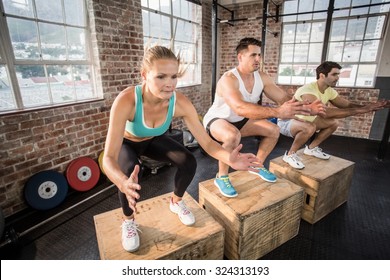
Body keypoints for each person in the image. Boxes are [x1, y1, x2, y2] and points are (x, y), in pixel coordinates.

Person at [102, 45, 261, 253]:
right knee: (129, 174)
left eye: (173, 76)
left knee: (188, 161)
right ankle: (129, 221)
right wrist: (122, 183)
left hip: (153, 139)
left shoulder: (180, 102)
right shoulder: (127, 100)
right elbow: (108, 158)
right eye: (160, 77)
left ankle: (176, 202)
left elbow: (207, 143)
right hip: (128, 144)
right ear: (144, 75)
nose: (169, 84)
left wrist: (230, 159)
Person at [202, 37, 324, 198]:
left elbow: (283, 99)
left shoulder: (262, 77)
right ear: (240, 57)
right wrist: (277, 112)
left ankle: (257, 166)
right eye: (253, 55)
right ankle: (222, 176)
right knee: (232, 135)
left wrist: (307, 108)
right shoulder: (229, 79)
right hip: (218, 120)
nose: (258, 59)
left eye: (259, 55)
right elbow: (239, 107)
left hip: (242, 120)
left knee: (273, 130)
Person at [278, 61, 390, 169]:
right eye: (334, 74)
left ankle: (311, 149)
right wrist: (363, 110)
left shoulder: (329, 91)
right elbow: (325, 113)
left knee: (334, 123)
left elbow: (347, 105)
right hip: (286, 122)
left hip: (305, 120)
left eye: (338, 74)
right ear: (322, 75)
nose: (337, 78)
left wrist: (371, 106)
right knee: (309, 127)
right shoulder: (308, 90)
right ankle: (290, 155)